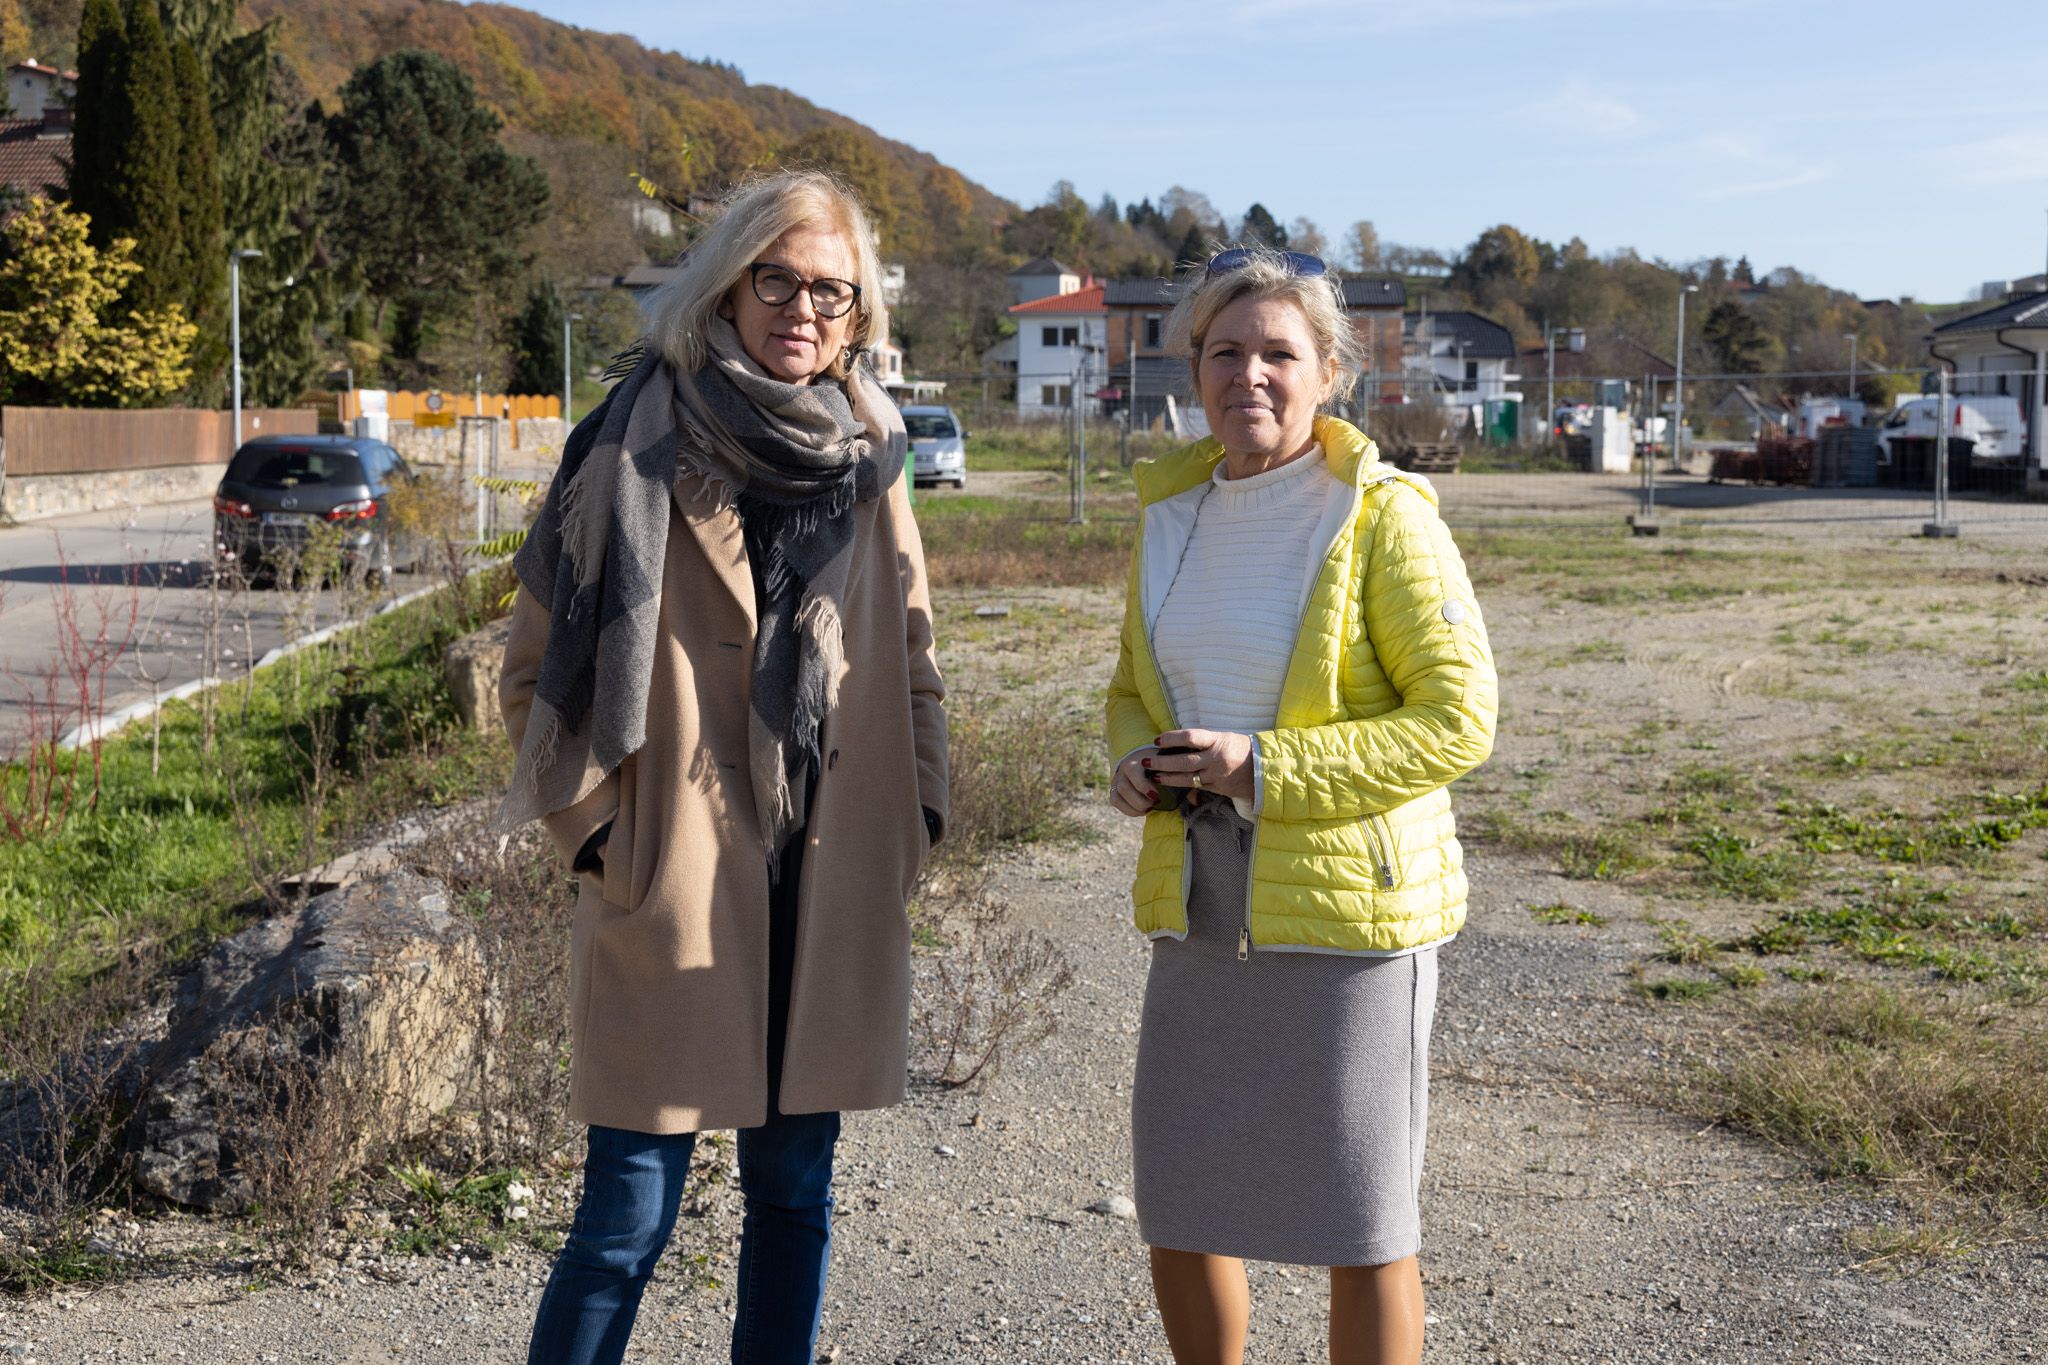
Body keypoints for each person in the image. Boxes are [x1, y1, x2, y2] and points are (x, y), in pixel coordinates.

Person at [498, 169, 948, 1365]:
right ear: (729, 284)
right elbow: (533, 666)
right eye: (779, 280)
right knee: (622, 1220)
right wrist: (600, 836)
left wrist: (922, 816)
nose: (802, 309)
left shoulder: (871, 453)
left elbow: (910, 650)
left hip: (829, 874)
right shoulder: (628, 443)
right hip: (675, 874)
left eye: (832, 293)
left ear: (860, 318)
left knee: (794, 1202)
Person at [1104, 246, 1498, 1365]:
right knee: (1181, 1203)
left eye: (1278, 352)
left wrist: (1262, 768)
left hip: (1348, 910)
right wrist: (1134, 762)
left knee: (1359, 1220)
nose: (1251, 376)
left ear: (1329, 371)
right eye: (1225, 352)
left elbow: (1456, 720)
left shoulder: (1381, 516)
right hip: (1200, 892)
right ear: (1193, 369)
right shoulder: (1167, 516)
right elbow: (1131, 691)